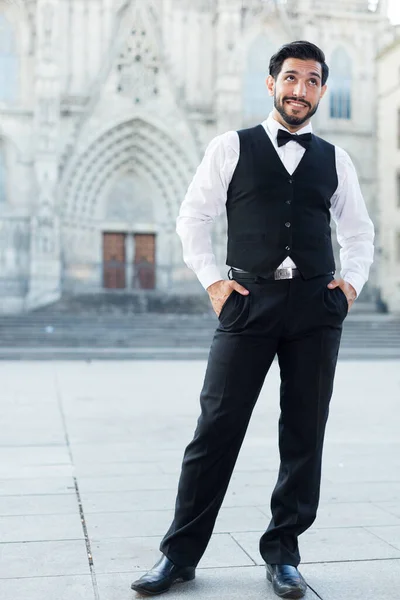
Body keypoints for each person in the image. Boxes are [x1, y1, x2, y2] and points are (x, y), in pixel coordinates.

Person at [131, 40, 374, 599]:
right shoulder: (229, 147)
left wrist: (349, 288)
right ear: (271, 84)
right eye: (292, 78)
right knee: (215, 430)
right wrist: (215, 283)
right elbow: (193, 217)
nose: (301, 90)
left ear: (320, 91)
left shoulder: (336, 158)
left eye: (313, 81)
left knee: (304, 433)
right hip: (247, 301)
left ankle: (283, 554)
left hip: (316, 307)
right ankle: (179, 555)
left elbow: (358, 233)